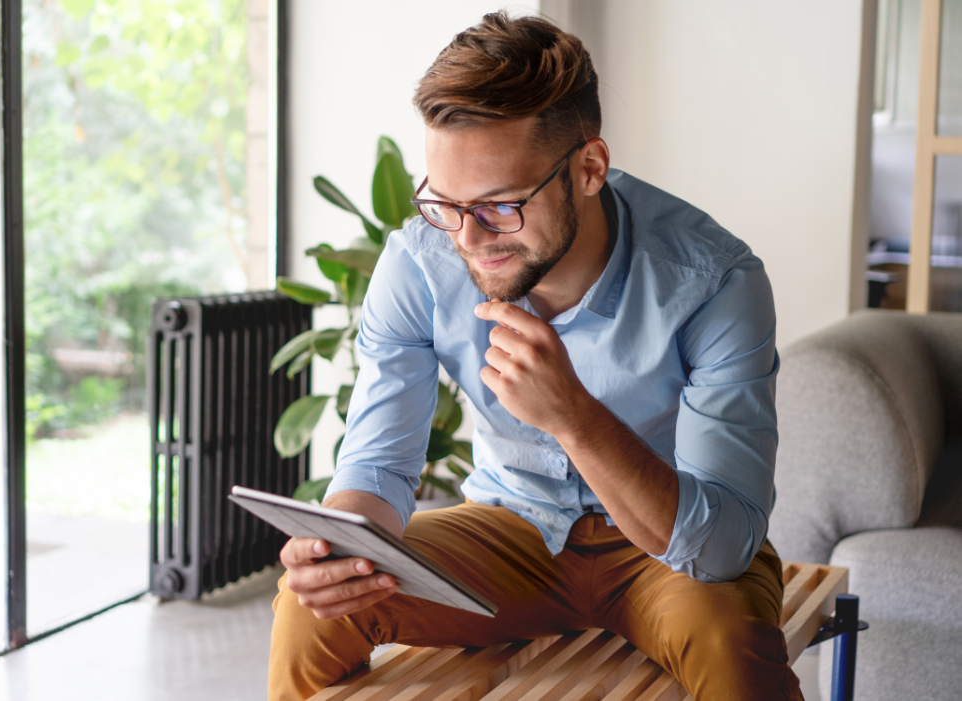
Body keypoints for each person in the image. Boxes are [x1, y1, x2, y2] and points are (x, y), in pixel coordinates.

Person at [270, 11, 800, 701]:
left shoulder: (714, 281)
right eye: (445, 203)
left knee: (733, 647)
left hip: (667, 548)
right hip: (509, 529)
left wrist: (575, 416)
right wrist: (343, 548)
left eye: (500, 205)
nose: (468, 235)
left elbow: (723, 543)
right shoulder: (419, 265)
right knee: (310, 612)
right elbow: (377, 465)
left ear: (589, 167)